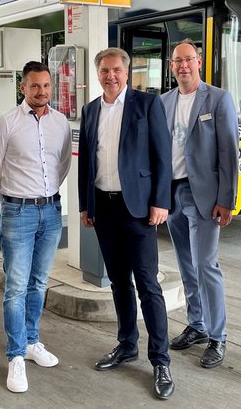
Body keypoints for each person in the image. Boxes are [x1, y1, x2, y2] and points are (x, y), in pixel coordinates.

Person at [78, 47, 175, 400]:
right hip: (103, 208)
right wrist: (85, 206)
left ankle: (160, 360)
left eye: (117, 69)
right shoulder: (90, 110)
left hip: (138, 209)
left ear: (127, 71)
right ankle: (126, 344)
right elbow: (86, 161)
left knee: (148, 285)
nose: (111, 75)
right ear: (98, 73)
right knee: (118, 282)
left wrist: (161, 201)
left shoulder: (147, 105)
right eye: (104, 70)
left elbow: (163, 156)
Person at [0, 60, 72, 393]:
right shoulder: (5, 123)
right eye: (35, 85)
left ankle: (32, 340)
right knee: (16, 287)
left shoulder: (61, 122)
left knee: (38, 283)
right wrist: (12, 201)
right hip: (17, 212)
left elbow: (62, 164)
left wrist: (44, 197)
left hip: (50, 212)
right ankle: (16, 355)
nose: (41, 91)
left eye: (46, 85)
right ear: (23, 87)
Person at [160, 39, 238, 368]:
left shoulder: (218, 99)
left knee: (206, 265)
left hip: (204, 196)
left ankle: (218, 337)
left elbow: (229, 152)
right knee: (185, 263)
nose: (183, 66)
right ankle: (197, 324)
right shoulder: (163, 102)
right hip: (172, 193)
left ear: (199, 62)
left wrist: (227, 200)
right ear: (171, 65)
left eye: (189, 60)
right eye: (178, 61)